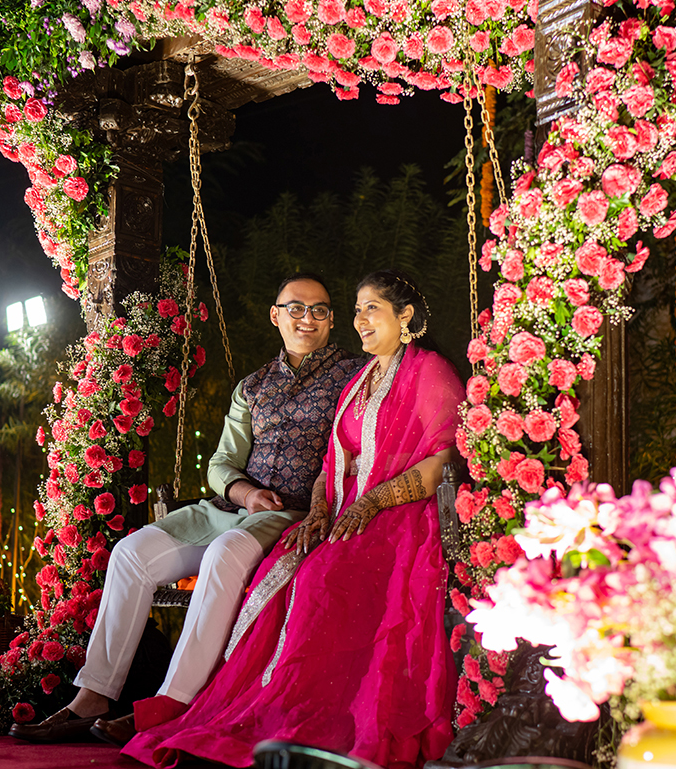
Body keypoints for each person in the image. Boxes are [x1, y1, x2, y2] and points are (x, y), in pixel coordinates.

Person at [123, 270, 465, 769]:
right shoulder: (360, 379)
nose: (360, 320)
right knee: (287, 564)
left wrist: (371, 504)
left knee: (323, 579)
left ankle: (311, 716)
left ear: (406, 315)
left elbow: (443, 461)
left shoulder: (429, 370)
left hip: (401, 517)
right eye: (358, 309)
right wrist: (322, 511)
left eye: (371, 308)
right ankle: (244, 707)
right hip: (344, 516)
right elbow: (333, 460)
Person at [11, 272, 363, 744]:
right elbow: (221, 462)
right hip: (230, 506)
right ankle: (93, 695)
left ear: (332, 319)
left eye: (319, 309)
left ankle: (173, 701)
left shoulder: (354, 376)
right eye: (295, 308)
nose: (307, 318)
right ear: (276, 316)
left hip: (292, 514)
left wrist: (289, 504)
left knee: (221, 555)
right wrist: (244, 493)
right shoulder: (253, 386)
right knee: (130, 554)